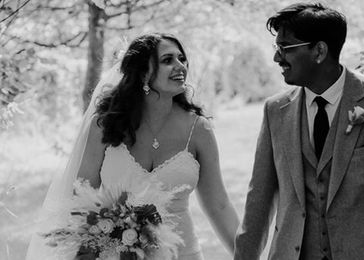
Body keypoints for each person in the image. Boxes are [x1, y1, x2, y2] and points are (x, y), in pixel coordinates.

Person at [234, 2, 364, 260]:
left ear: (319, 51)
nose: (277, 57)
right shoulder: (275, 110)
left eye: (285, 48)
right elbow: (258, 203)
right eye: (277, 48)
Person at [26, 33, 239, 260]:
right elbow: (80, 199)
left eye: (182, 59)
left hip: (183, 254)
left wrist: (248, 254)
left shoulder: (199, 130)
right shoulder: (105, 125)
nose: (181, 66)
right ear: (143, 73)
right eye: (168, 60)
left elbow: (219, 206)